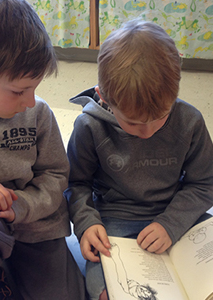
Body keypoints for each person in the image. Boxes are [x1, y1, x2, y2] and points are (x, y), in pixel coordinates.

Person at [64, 19, 213, 300]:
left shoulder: (190, 120)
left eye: (161, 118)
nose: (147, 132)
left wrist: (171, 223)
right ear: (103, 96)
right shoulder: (89, 127)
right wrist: (86, 223)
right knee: (105, 292)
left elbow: (204, 183)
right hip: (115, 221)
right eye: (132, 123)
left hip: (179, 214)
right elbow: (75, 183)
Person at [0, 0, 86, 299]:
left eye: (34, 88)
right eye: (19, 91)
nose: (30, 101)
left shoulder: (38, 114)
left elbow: (56, 175)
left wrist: (19, 206)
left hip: (37, 231)